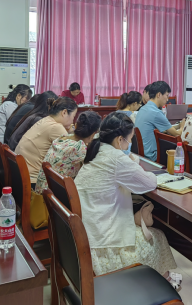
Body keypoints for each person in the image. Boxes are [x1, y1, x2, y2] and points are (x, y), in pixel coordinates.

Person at [75, 112, 180, 285]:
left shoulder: (97, 149)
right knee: (158, 236)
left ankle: (164, 277)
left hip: (87, 229)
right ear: (119, 140)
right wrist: (133, 161)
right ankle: (162, 282)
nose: (130, 143)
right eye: (129, 139)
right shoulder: (116, 158)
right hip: (102, 240)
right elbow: (149, 182)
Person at [15, 97, 78, 189]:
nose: (72, 121)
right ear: (64, 112)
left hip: (20, 176)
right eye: (73, 116)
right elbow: (74, 151)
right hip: (32, 182)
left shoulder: (45, 120)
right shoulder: (56, 127)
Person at [34, 111, 102, 195]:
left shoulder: (62, 138)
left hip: (42, 191)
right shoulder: (79, 148)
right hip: (53, 195)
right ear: (94, 134)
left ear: (75, 126)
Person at [134, 81, 185, 161]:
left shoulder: (143, 109)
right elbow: (177, 134)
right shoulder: (156, 112)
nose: (167, 99)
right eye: (167, 96)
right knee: (181, 151)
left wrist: (178, 126)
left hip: (141, 153)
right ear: (159, 95)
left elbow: (164, 129)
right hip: (152, 155)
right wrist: (182, 126)